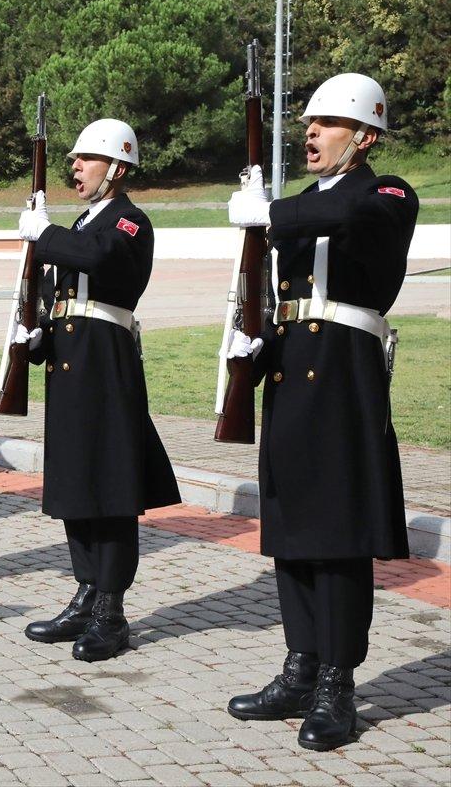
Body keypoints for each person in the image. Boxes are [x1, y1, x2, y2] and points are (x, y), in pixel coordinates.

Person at [224, 73, 418, 751]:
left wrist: (268, 213)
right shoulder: (303, 202)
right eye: (308, 122)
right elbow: (286, 286)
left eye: (327, 123)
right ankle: (299, 667)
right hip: (292, 374)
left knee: (336, 538)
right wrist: (256, 338)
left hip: (343, 377)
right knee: (291, 524)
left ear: (364, 135)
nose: (310, 132)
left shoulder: (388, 192)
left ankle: (339, 682)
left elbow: (348, 218)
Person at [15, 119, 181, 661]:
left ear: (117, 168)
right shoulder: (81, 222)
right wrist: (36, 332)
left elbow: (97, 257)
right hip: (69, 361)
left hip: (105, 363)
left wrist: (45, 234)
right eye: (74, 160)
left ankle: (112, 610)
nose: (75, 168)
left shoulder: (130, 221)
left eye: (87, 160)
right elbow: (52, 284)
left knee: (109, 488)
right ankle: (85, 591)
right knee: (75, 482)